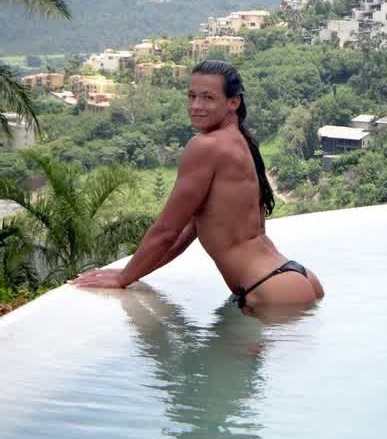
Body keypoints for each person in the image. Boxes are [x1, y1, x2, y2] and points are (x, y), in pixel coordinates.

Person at [71, 60, 324, 310]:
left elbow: (166, 230)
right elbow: (185, 232)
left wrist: (123, 278)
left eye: (208, 98)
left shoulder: (206, 146)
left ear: (233, 102)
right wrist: (132, 272)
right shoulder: (241, 142)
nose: (196, 106)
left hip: (268, 287)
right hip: (290, 276)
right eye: (191, 96)